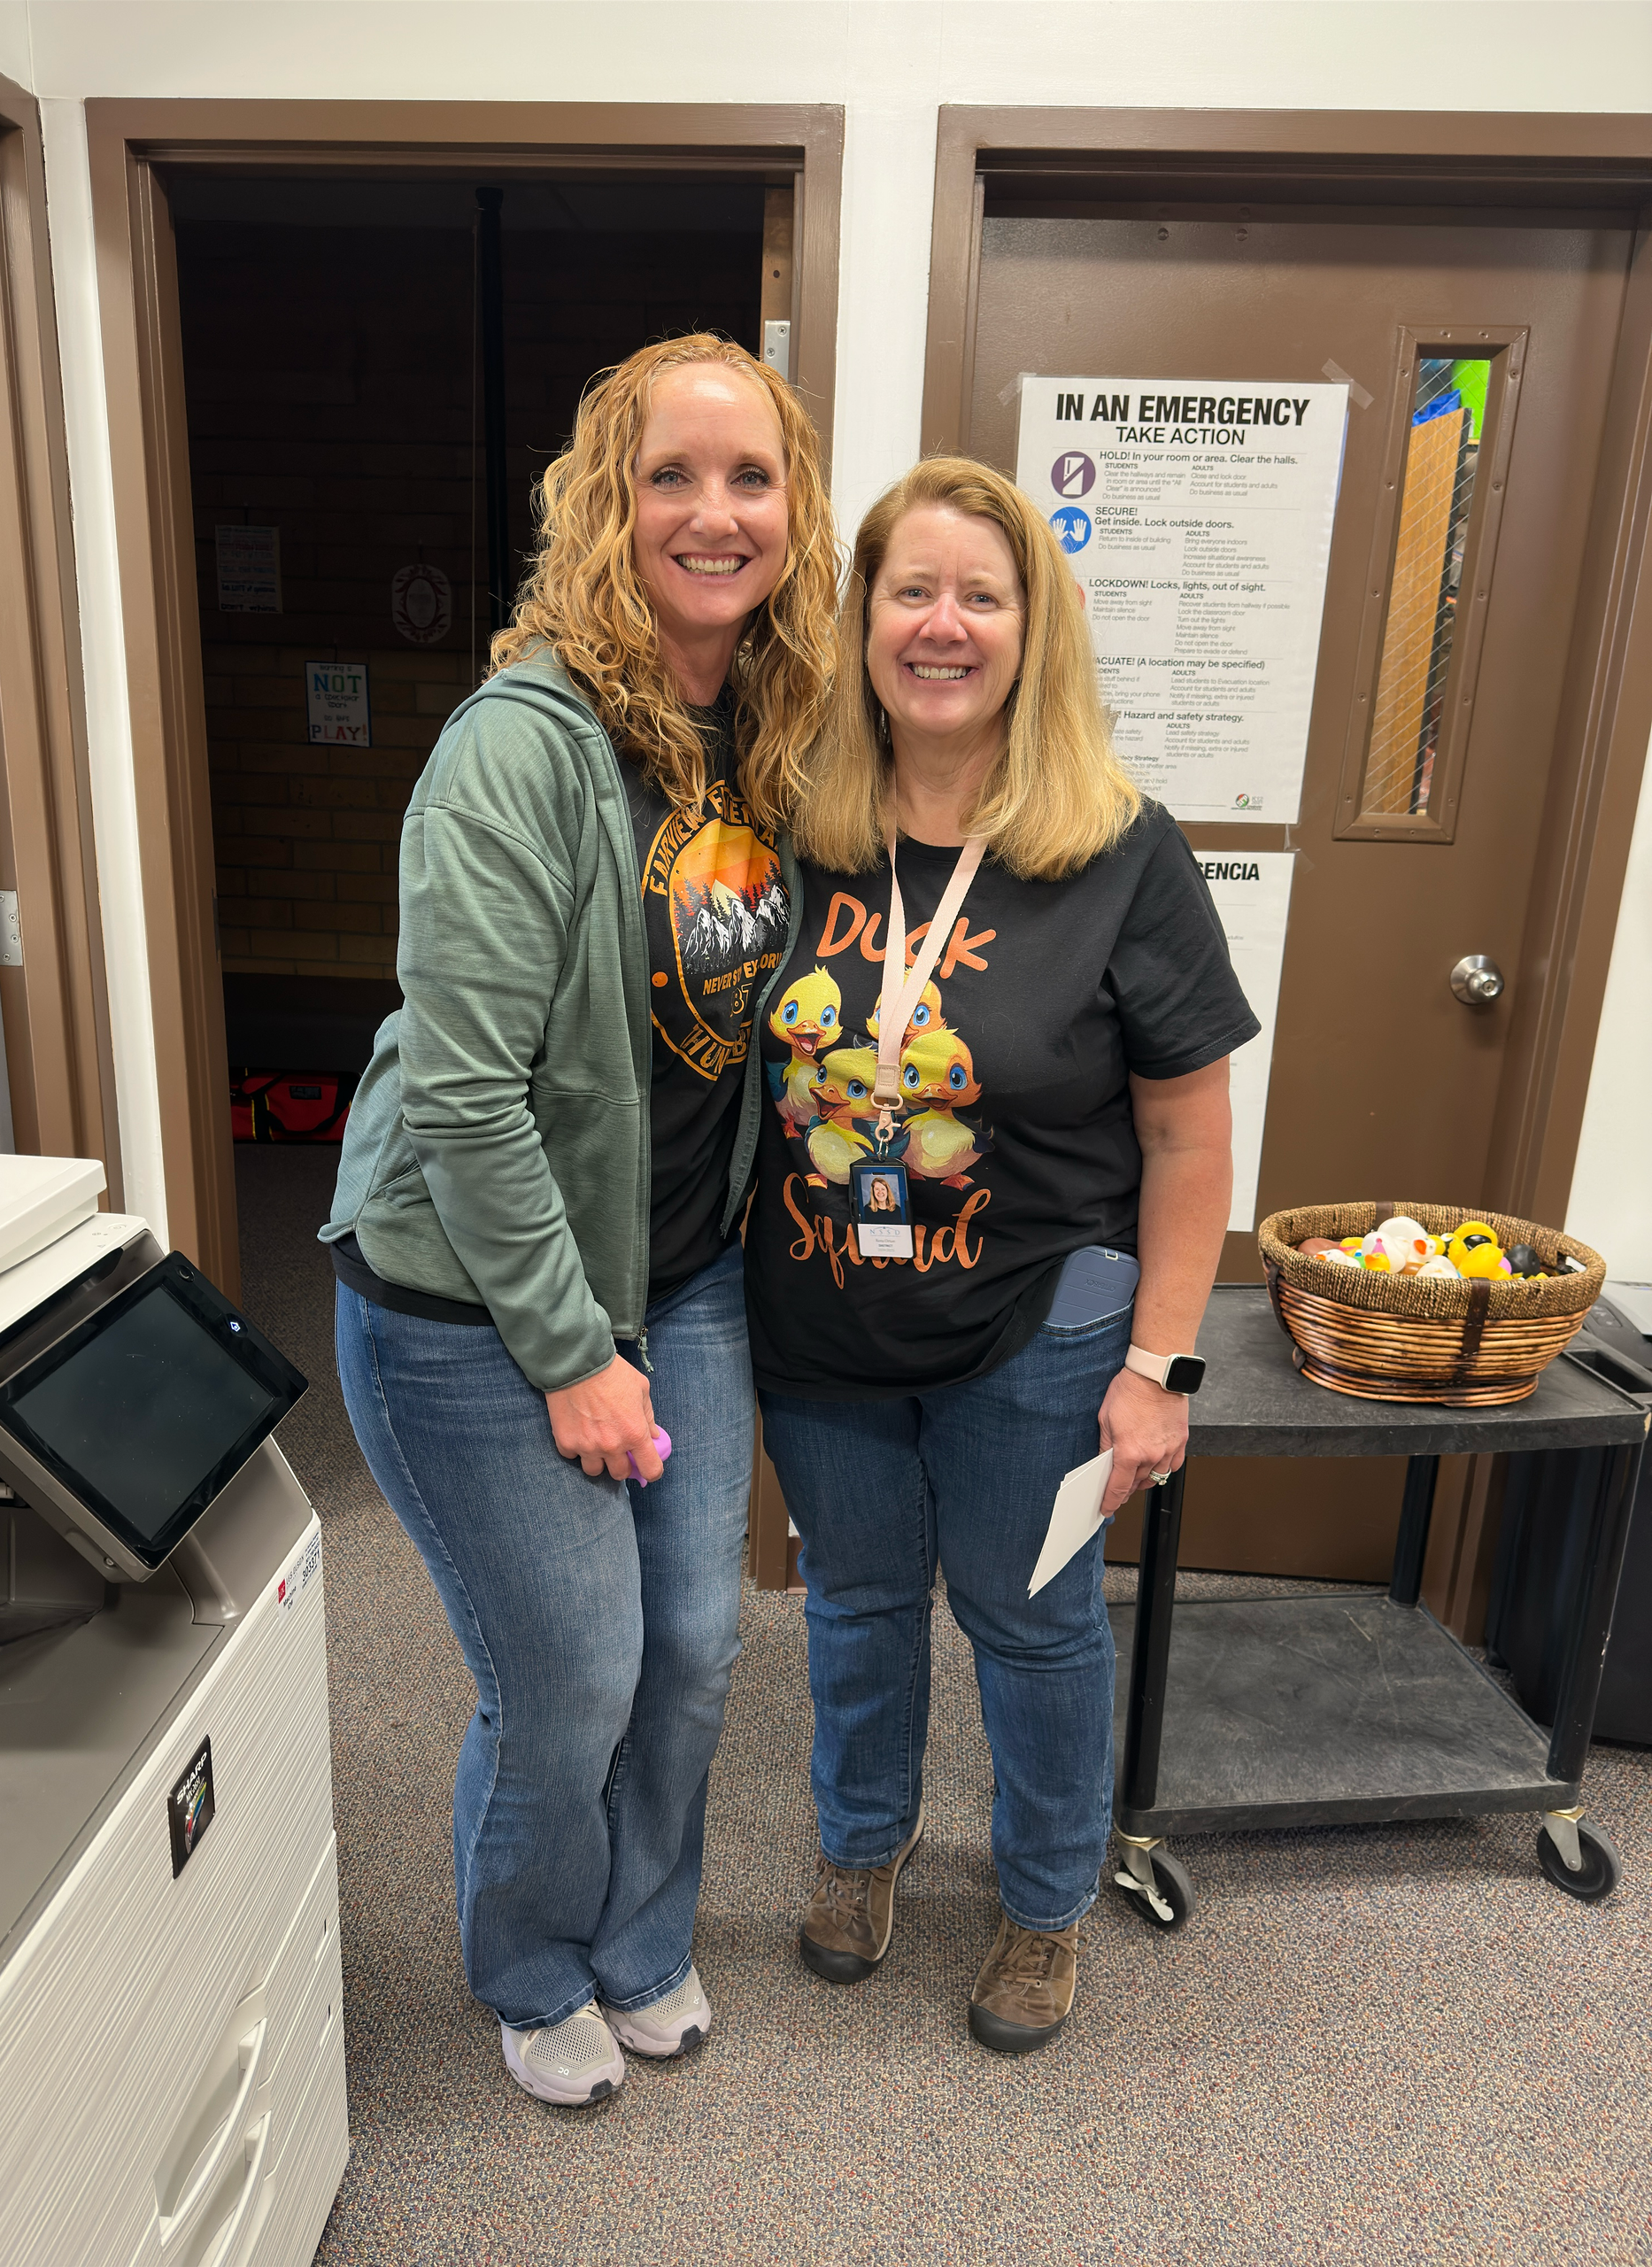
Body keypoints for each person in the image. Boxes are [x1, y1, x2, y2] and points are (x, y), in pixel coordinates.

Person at [323, 335, 836, 2105]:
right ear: (604, 507)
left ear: (792, 510)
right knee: (574, 1675)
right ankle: (531, 1957)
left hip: (677, 1270)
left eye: (750, 477)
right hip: (473, 1300)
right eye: (670, 475)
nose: (715, 511)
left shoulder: (761, 733)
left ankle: (638, 1934)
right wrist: (572, 1353)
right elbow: (465, 1102)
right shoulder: (519, 749)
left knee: (698, 1643)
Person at [745, 457, 1255, 2055]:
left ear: (1034, 629)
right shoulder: (791, 832)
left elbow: (1188, 1143)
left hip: (1041, 1323)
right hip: (823, 1320)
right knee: (859, 1606)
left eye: (982, 594)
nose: (943, 625)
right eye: (912, 591)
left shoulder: (1119, 850)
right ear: (865, 620)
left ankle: (1043, 1906)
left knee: (1033, 1626)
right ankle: (862, 1847)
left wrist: (1160, 1368)